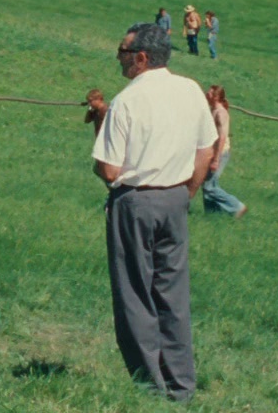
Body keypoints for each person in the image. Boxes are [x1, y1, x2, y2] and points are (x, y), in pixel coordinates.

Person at [92, 22, 219, 403]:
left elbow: (110, 169)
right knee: (172, 296)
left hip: (135, 201)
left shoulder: (128, 101)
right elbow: (205, 151)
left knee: (135, 295)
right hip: (176, 200)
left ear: (142, 58)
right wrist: (186, 193)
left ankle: (149, 388)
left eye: (122, 52)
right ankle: (182, 387)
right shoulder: (190, 90)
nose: (118, 58)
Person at [200, 86, 247, 218]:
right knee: (207, 183)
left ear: (215, 97)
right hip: (212, 151)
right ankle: (212, 215)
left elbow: (222, 137)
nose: (206, 94)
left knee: (209, 186)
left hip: (220, 153)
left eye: (208, 93)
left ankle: (237, 207)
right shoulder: (213, 110)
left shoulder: (220, 113)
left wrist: (216, 159)